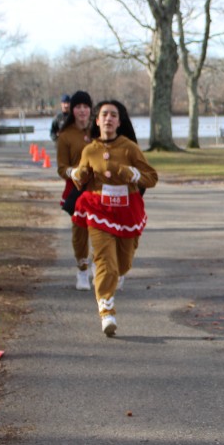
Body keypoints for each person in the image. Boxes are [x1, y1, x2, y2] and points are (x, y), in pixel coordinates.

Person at [70, 100, 158, 336]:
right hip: (99, 210)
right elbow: (79, 180)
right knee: (106, 263)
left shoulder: (129, 148)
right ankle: (106, 311)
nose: (108, 118)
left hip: (127, 211)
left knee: (123, 264)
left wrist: (133, 174)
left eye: (113, 115)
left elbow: (151, 178)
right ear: (97, 121)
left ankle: (110, 274)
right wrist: (79, 175)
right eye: (104, 115)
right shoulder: (90, 150)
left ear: (119, 122)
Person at [56, 90, 95, 290]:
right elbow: (61, 168)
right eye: (78, 106)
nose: (82, 110)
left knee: (102, 230)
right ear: (72, 110)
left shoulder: (98, 131)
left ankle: (100, 265)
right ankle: (82, 270)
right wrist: (74, 172)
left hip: (99, 189)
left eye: (85, 106)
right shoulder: (65, 136)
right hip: (77, 190)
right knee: (80, 231)